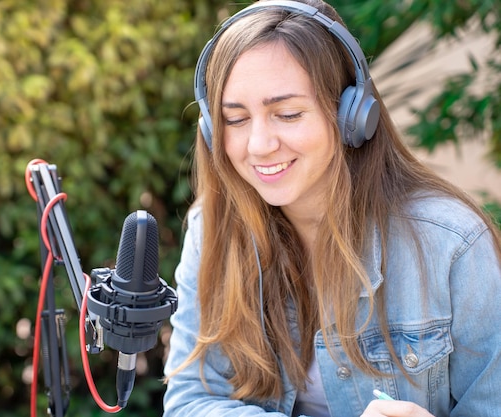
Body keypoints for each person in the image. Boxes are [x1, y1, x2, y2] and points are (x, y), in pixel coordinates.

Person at [162, 0, 501, 416]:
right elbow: (189, 403)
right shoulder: (212, 227)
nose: (259, 145)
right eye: (235, 119)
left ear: (351, 115)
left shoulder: (454, 244)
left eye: (286, 114)